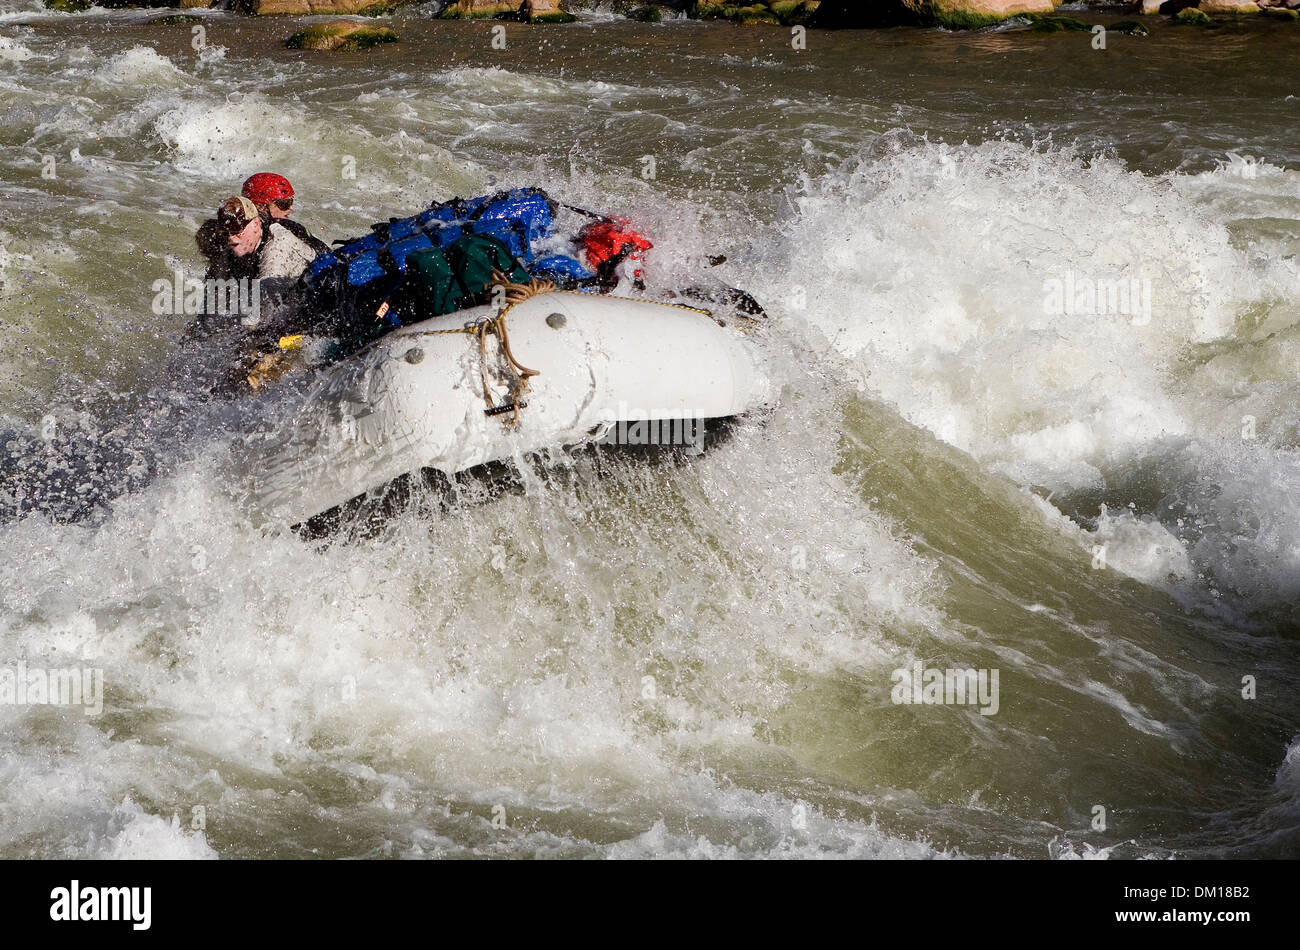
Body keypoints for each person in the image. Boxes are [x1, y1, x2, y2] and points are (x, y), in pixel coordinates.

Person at [241, 172, 329, 257]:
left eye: (291, 201)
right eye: (284, 204)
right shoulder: (279, 239)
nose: (291, 208)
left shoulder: (286, 231)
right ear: (260, 207)